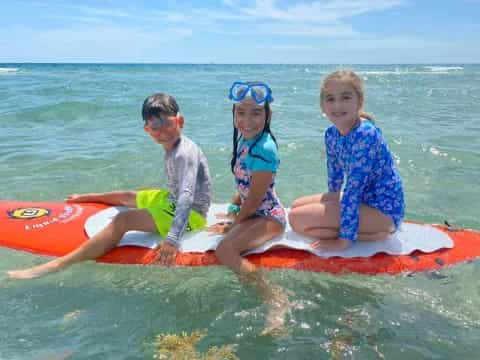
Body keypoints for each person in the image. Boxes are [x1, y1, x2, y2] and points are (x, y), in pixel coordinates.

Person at [8, 93, 212, 279]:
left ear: (180, 121)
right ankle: (87, 197)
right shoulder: (173, 146)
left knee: (123, 220)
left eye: (168, 124)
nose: (163, 132)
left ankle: (59, 264)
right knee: (133, 196)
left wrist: (172, 239)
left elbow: (186, 195)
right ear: (147, 130)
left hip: (191, 213)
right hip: (172, 198)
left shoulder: (184, 152)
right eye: (154, 127)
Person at [288, 70, 405, 251]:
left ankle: (380, 231)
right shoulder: (332, 134)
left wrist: (344, 240)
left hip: (383, 210)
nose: (337, 105)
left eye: (345, 97)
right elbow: (335, 174)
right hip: (361, 199)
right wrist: (331, 202)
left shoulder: (365, 135)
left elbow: (353, 189)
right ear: (322, 106)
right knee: (295, 206)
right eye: (330, 99)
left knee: (296, 220)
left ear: (359, 101)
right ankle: (369, 231)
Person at [208, 81, 289, 335]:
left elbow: (254, 200)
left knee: (224, 250)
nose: (247, 120)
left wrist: (235, 223)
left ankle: (276, 300)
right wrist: (233, 208)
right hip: (253, 210)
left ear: (268, 115)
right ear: (233, 115)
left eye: (256, 113)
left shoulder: (265, 149)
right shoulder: (245, 140)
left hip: (269, 217)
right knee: (223, 243)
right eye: (240, 112)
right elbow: (245, 185)